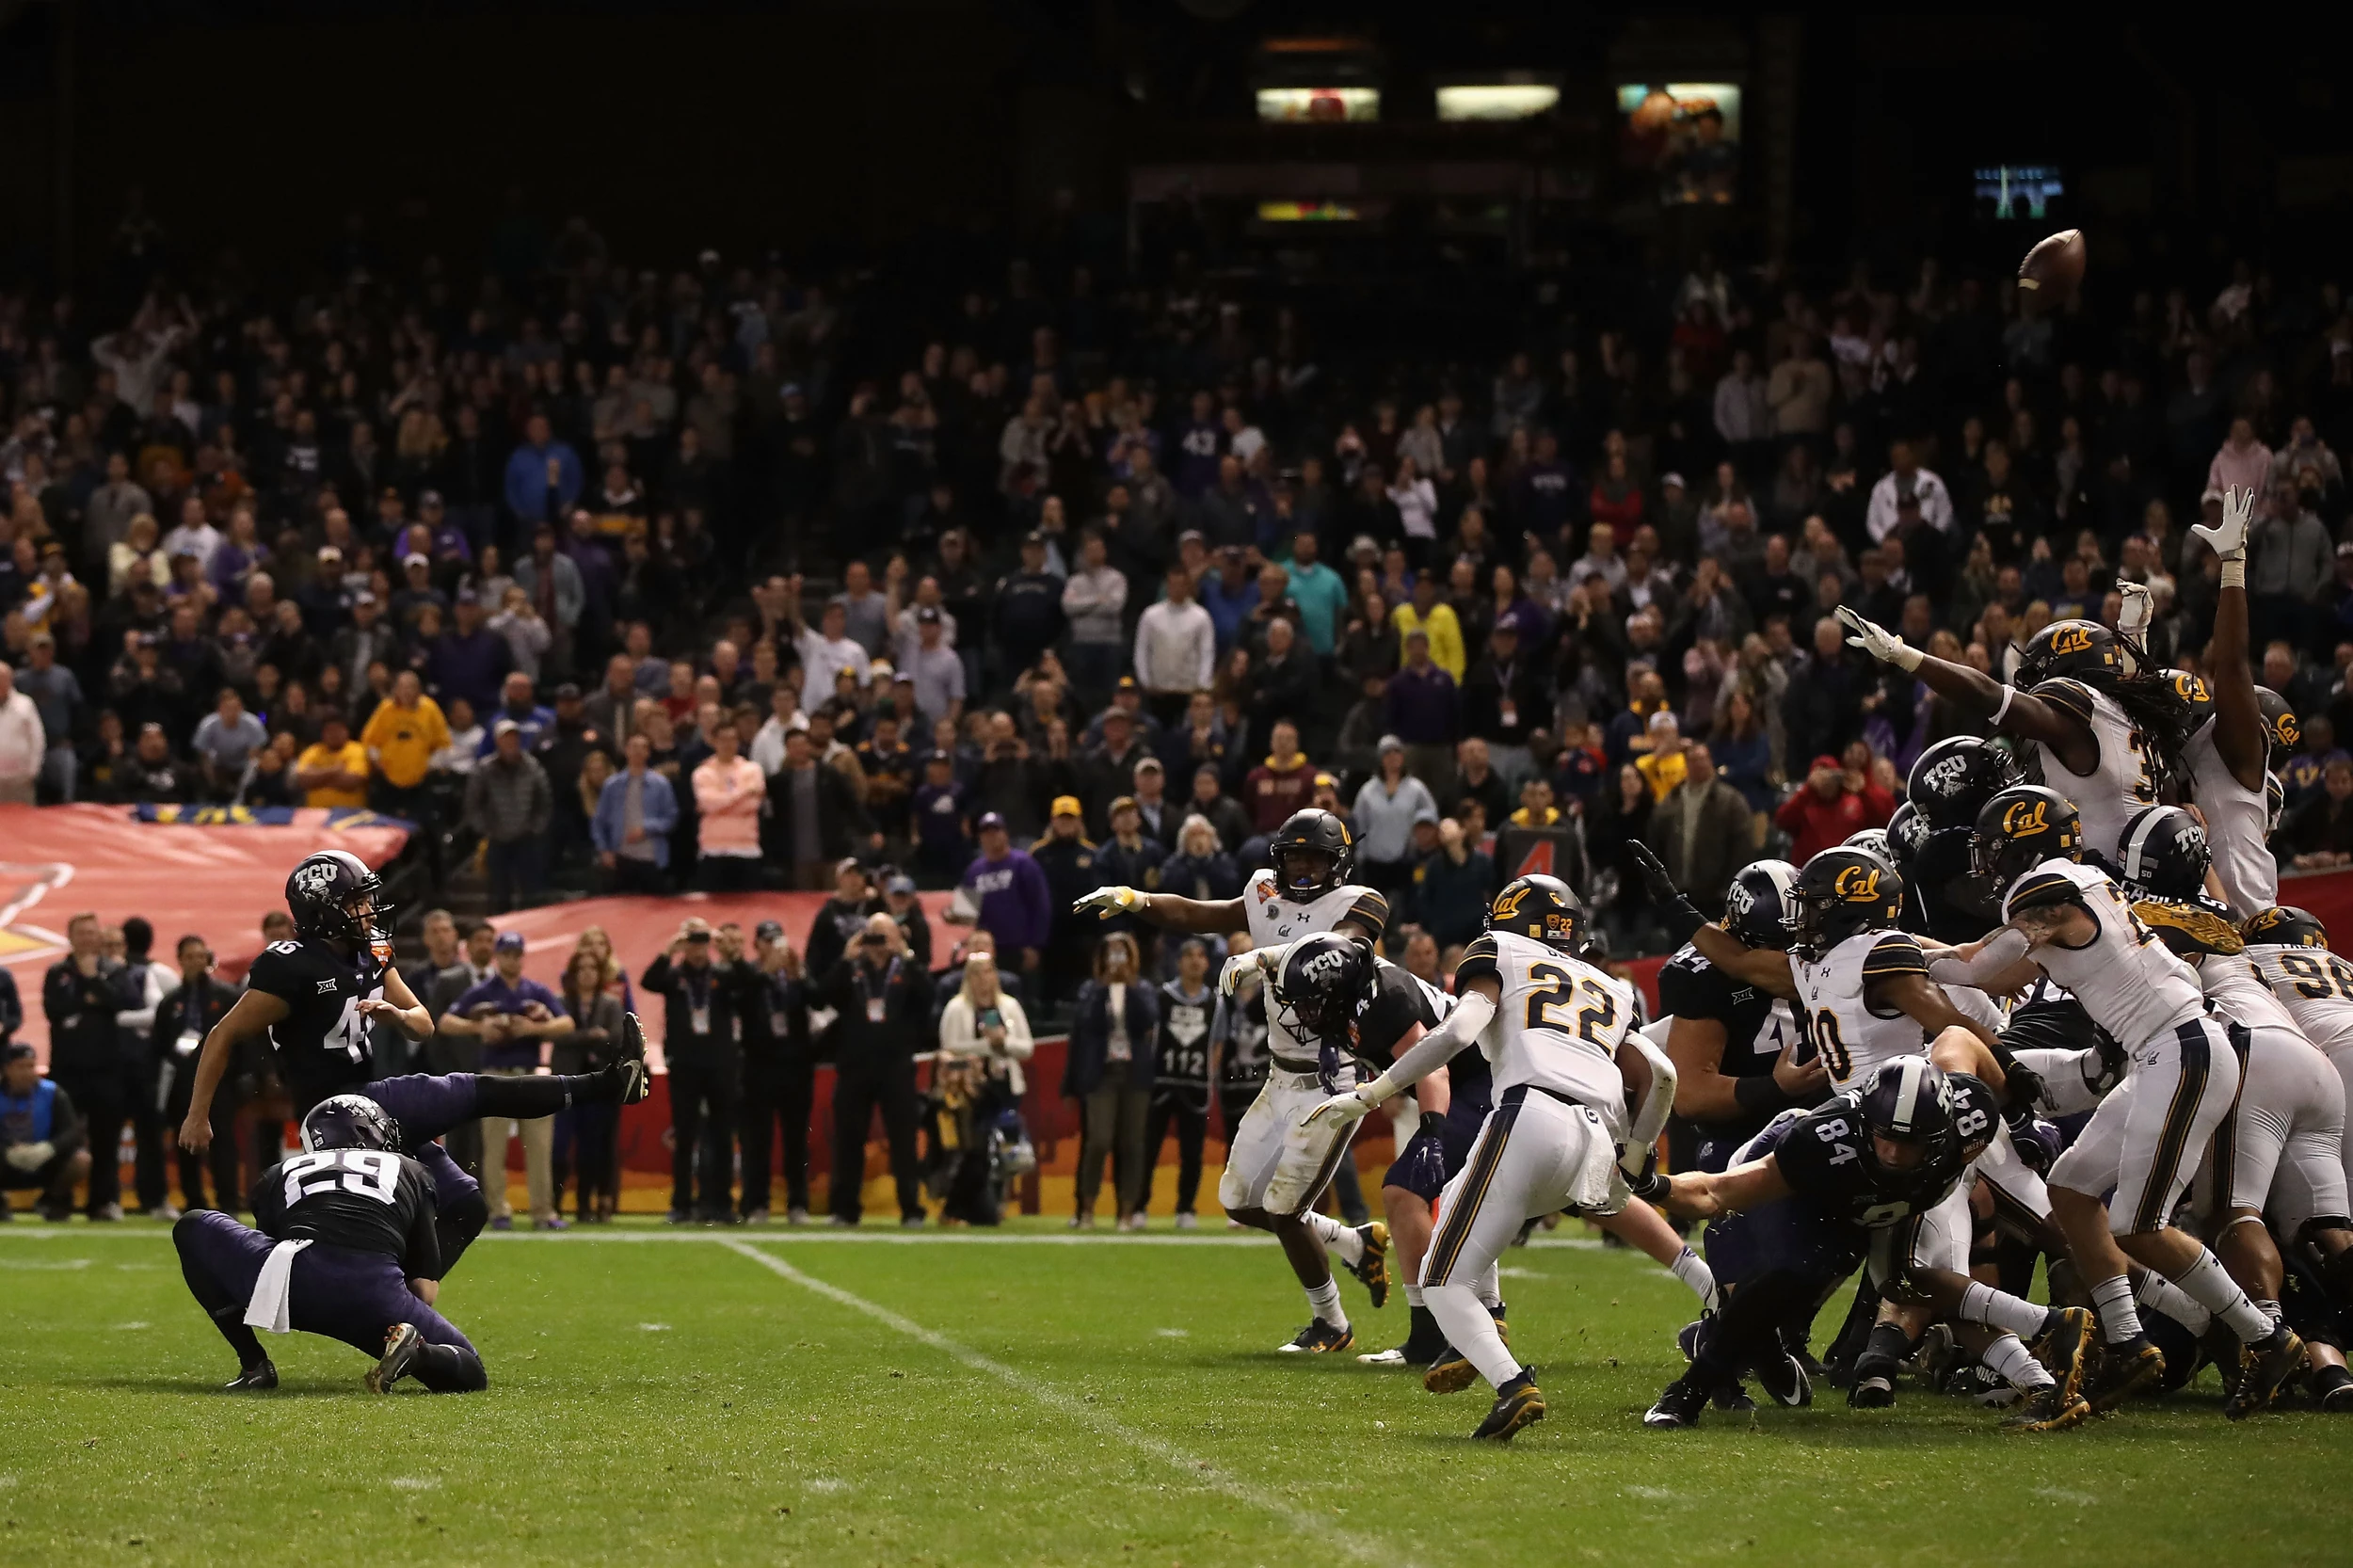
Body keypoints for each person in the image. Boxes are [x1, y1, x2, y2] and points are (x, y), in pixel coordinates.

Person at [1929, 786, 2308, 1420]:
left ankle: (2268, 1341)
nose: (1990, 864)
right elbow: (2022, 974)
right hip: (2162, 1050)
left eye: (1996, 850)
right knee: (2072, 1190)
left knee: (2140, 1224)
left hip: (2180, 1048)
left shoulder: (2047, 885)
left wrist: (1902, 955)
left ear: (2024, 843)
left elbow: (1980, 969)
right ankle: (2129, 1341)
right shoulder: (2083, 879)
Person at [178, 852, 648, 1281]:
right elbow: (222, 1035)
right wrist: (198, 1114)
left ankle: (409, 1307)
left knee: (467, 1205)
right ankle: (607, 1083)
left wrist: (399, 1017)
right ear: (323, 909)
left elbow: (423, 1024)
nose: (368, 910)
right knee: (471, 1091)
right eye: (356, 901)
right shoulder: (290, 966)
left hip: (370, 1101)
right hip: (333, 1112)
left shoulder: (373, 951)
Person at [1077, 808, 1393, 1347]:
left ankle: (1332, 1323)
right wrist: (1140, 900)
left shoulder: (1361, 903)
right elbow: (1204, 915)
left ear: (1338, 863)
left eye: (1315, 859)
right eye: (1294, 857)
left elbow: (1338, 948)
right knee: (1239, 1200)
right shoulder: (1264, 892)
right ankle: (1354, 1245)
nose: (1303, 870)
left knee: (1285, 1207)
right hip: (1280, 1073)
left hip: (1333, 1074)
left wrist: (1266, 957)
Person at [170, 1096, 487, 1394]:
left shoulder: (277, 1173)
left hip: (292, 1289)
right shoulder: (413, 1170)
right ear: (370, 1131)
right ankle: (419, 1352)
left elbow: (270, 1247)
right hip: (375, 1298)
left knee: (193, 1226)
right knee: (469, 1366)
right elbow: (424, 1291)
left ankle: (254, 1365)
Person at [436, 932, 571, 1231]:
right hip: (495, 1072)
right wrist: (479, 1027)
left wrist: (532, 1030)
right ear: (498, 957)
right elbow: (446, 1021)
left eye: (517, 954)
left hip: (529, 1070)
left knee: (538, 1145)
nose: (513, 959)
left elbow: (566, 1022)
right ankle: (498, 1209)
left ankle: (542, 1210)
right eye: (508, 954)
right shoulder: (484, 991)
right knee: (493, 1147)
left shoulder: (534, 990)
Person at [823, 913, 935, 1226]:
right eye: (872, 937)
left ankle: (911, 1207)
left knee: (904, 1141)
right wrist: (845, 959)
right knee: (849, 1140)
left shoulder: (906, 970)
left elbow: (929, 997)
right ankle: (845, 1209)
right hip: (855, 1068)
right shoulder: (852, 970)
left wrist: (907, 955)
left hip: (896, 1068)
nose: (878, 946)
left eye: (885, 937)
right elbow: (824, 997)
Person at [641, 919, 744, 1224]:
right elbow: (649, 980)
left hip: (720, 1064)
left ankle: (721, 1203)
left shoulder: (723, 975)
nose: (698, 950)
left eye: (702, 944)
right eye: (692, 943)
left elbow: (749, 981)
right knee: (685, 1136)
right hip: (685, 1064)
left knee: (723, 1135)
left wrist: (729, 952)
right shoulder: (674, 977)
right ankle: (682, 1203)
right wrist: (668, 951)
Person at [1064, 933, 1160, 1229]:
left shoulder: (1143, 989)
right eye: (1112, 953)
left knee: (1132, 1143)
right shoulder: (1090, 990)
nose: (1117, 960)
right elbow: (1085, 1025)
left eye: (1122, 953)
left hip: (1134, 1073)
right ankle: (1086, 1208)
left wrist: (1129, 986)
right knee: (1099, 1140)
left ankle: (1127, 1211)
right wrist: (1104, 987)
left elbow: (1148, 1019)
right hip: (1101, 1073)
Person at [935, 949, 1034, 1225]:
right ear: (968, 977)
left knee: (1004, 1153)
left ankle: (981, 1209)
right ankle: (955, 1209)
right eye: (977, 973)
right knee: (975, 1151)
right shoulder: (956, 1008)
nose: (983, 979)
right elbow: (949, 1047)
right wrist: (985, 1047)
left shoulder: (1010, 1007)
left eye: (988, 971)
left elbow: (1026, 1047)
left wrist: (1003, 1044)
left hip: (1005, 1087)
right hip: (970, 1089)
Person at [42, 912, 127, 1220]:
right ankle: (57, 1200)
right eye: (82, 933)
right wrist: (90, 1000)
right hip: (68, 1070)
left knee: (106, 1140)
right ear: (71, 936)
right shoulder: (58, 972)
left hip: (106, 1069)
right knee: (64, 1138)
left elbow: (121, 1001)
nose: (88, 939)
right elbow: (55, 1009)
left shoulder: (113, 970)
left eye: (92, 933)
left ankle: (102, 1202)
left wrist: (93, 982)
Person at [152, 934, 242, 1215]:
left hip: (221, 1084)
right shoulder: (170, 1003)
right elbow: (160, 1047)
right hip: (182, 1085)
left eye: (200, 956)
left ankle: (228, 1201)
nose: (195, 962)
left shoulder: (227, 997)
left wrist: (247, 1073)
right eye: (189, 957)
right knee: (186, 1145)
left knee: (223, 1144)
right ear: (179, 961)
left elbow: (244, 1038)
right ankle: (194, 1201)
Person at [736, 920, 814, 1224]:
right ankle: (757, 1204)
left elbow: (818, 999)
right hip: (759, 1067)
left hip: (794, 1068)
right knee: (758, 1141)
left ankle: (798, 1204)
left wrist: (800, 975)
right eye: (767, 941)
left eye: (777, 941)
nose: (773, 948)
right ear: (757, 945)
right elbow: (740, 1002)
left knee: (796, 1140)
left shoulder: (794, 977)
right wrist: (764, 972)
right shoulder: (750, 975)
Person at [1138, 938, 1217, 1229]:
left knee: (1193, 1153)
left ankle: (1186, 1208)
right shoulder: (1162, 997)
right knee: (1149, 1149)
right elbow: (1150, 1036)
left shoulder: (1215, 1002)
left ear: (1207, 963)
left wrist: (1210, 1074)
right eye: (1189, 956)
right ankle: (1139, 1207)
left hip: (1196, 1086)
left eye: (1201, 956)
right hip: (1161, 1082)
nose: (1195, 961)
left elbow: (1217, 1044)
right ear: (1178, 962)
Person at [552, 945, 627, 1224]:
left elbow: (615, 1039)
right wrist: (591, 1035)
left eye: (592, 969)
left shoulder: (610, 1003)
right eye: (581, 969)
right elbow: (559, 1037)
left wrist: (584, 1037)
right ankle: (555, 1204)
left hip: (597, 1084)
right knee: (560, 1146)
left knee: (592, 1148)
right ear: (572, 974)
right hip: (567, 1084)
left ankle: (586, 1204)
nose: (586, 974)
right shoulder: (559, 1002)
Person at [465, 718, 553, 912]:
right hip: (497, 840)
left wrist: (536, 827)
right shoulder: (484, 769)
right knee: (498, 894)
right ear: (497, 741)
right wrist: (485, 829)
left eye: (514, 738)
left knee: (531, 893)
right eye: (506, 738)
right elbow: (473, 804)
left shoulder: (533, 767)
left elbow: (544, 801)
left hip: (526, 839)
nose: (510, 743)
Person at [2, 1041, 90, 1221]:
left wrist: (48, 1149)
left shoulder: (52, 1093)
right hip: (7, 1160)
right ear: (6, 1069)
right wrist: (6, 1151)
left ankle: (53, 1200)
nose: (27, 1073)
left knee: (81, 1160)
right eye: (20, 1067)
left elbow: (72, 1132)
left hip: (45, 1159)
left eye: (31, 1067)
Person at [593, 731, 680, 892]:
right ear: (626, 750)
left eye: (643, 747)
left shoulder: (661, 784)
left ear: (648, 752)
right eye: (634, 747)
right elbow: (599, 821)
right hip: (621, 857)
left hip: (652, 858)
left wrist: (646, 828)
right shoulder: (612, 785)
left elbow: (671, 818)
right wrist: (604, 850)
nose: (638, 751)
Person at [690, 711, 765, 891]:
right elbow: (708, 803)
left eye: (732, 739)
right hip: (713, 850)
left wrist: (721, 803)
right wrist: (744, 792)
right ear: (714, 741)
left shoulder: (752, 769)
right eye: (723, 739)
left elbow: (752, 805)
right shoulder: (703, 772)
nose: (728, 744)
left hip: (746, 849)